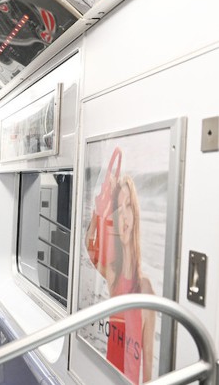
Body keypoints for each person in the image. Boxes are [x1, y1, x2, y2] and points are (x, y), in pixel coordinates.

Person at [86, 158, 155, 383]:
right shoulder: (114, 278)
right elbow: (90, 247)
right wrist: (97, 214)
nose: (123, 215)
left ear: (135, 216)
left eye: (128, 206)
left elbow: (148, 366)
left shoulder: (145, 288)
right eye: (119, 207)